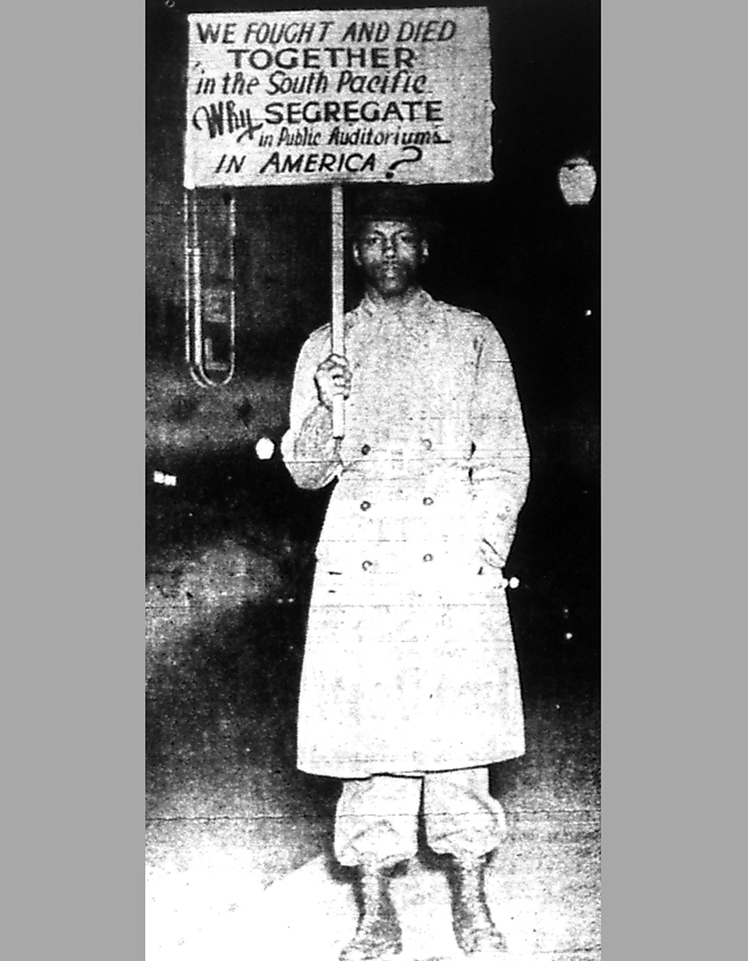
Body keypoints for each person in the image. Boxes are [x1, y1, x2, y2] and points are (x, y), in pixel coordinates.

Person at [281, 188, 530, 960]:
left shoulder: (471, 337)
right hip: (365, 560)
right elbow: (303, 468)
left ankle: (472, 900)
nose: (389, 253)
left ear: (426, 249)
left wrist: (482, 546)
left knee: (458, 740)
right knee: (372, 741)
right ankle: (375, 908)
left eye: (404, 239)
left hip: (448, 556)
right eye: (374, 240)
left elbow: (506, 456)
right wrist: (326, 404)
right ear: (352, 252)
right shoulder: (328, 343)